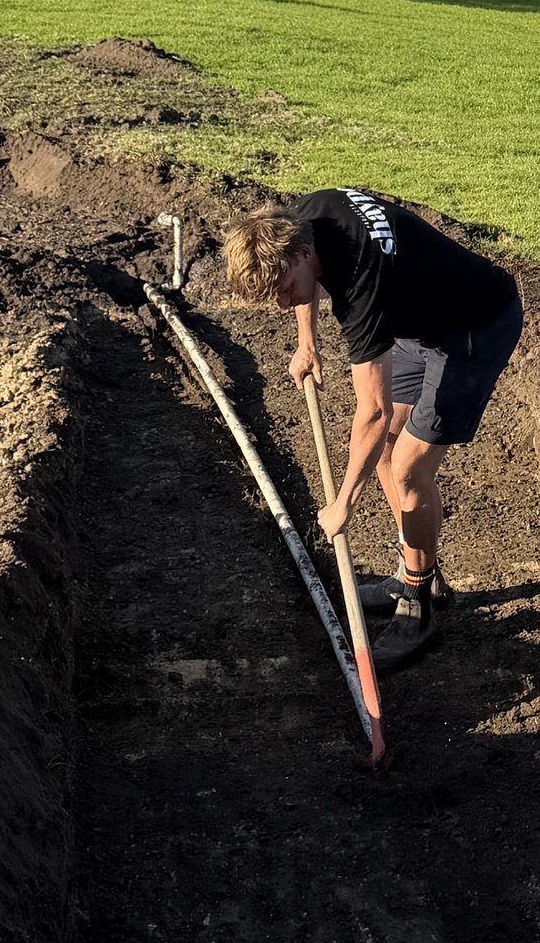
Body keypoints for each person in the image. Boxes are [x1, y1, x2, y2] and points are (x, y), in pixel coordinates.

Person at [221, 190, 523, 658]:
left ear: (303, 254)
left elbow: (375, 412)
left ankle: (418, 610)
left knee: (406, 468)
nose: (283, 302)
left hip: (475, 325)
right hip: (420, 320)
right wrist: (307, 343)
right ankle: (416, 572)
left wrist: (343, 503)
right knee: (384, 453)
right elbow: (307, 283)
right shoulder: (298, 221)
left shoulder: (360, 276)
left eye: (283, 289)